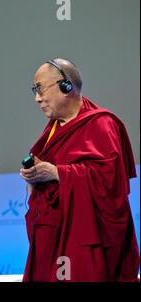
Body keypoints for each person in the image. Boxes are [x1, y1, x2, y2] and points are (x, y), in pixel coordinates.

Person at [20, 58, 139, 282]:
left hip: (84, 236)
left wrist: (57, 173)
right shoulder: (53, 129)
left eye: (41, 89)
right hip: (51, 235)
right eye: (34, 91)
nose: (37, 99)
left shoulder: (101, 124)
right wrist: (34, 180)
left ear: (66, 86)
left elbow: (111, 186)